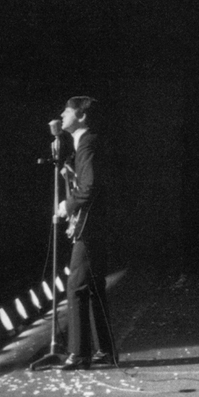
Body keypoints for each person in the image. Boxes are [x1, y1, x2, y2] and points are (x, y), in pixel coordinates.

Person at [57, 96, 116, 370]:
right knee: (93, 287)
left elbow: (90, 187)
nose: (62, 114)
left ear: (80, 116)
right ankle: (105, 350)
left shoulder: (87, 143)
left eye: (66, 111)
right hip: (96, 222)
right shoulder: (87, 142)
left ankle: (79, 354)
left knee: (77, 286)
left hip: (89, 226)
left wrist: (66, 206)